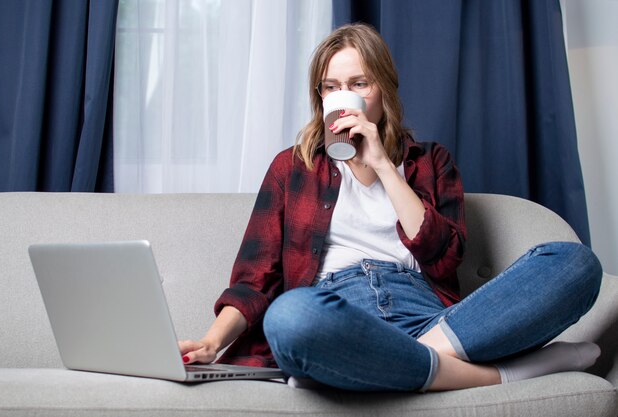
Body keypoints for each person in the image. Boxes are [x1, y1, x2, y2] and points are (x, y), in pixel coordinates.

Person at [179, 23, 602, 392]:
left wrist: (382, 163)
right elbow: (255, 280)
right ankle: (493, 376)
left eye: (359, 84)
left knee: (575, 263)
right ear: (320, 95)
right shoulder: (292, 167)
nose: (344, 96)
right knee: (290, 318)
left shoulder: (430, 161)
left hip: (431, 319)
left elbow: (445, 258)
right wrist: (212, 342)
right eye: (331, 87)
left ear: (383, 87)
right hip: (337, 316)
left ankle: (381, 365)